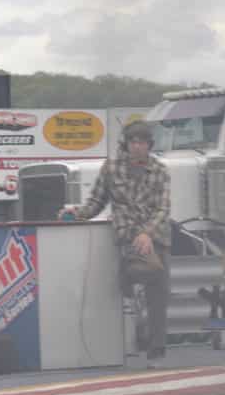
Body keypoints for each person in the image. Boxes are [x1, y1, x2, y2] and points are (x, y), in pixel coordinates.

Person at [61, 119, 172, 365]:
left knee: (159, 297)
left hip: (157, 239)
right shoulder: (110, 168)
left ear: (149, 145)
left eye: (142, 142)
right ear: (126, 144)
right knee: (122, 286)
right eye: (133, 141)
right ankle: (128, 289)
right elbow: (95, 202)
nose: (137, 147)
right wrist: (75, 213)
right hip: (126, 237)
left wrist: (147, 234)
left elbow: (163, 209)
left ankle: (156, 351)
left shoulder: (161, 171)